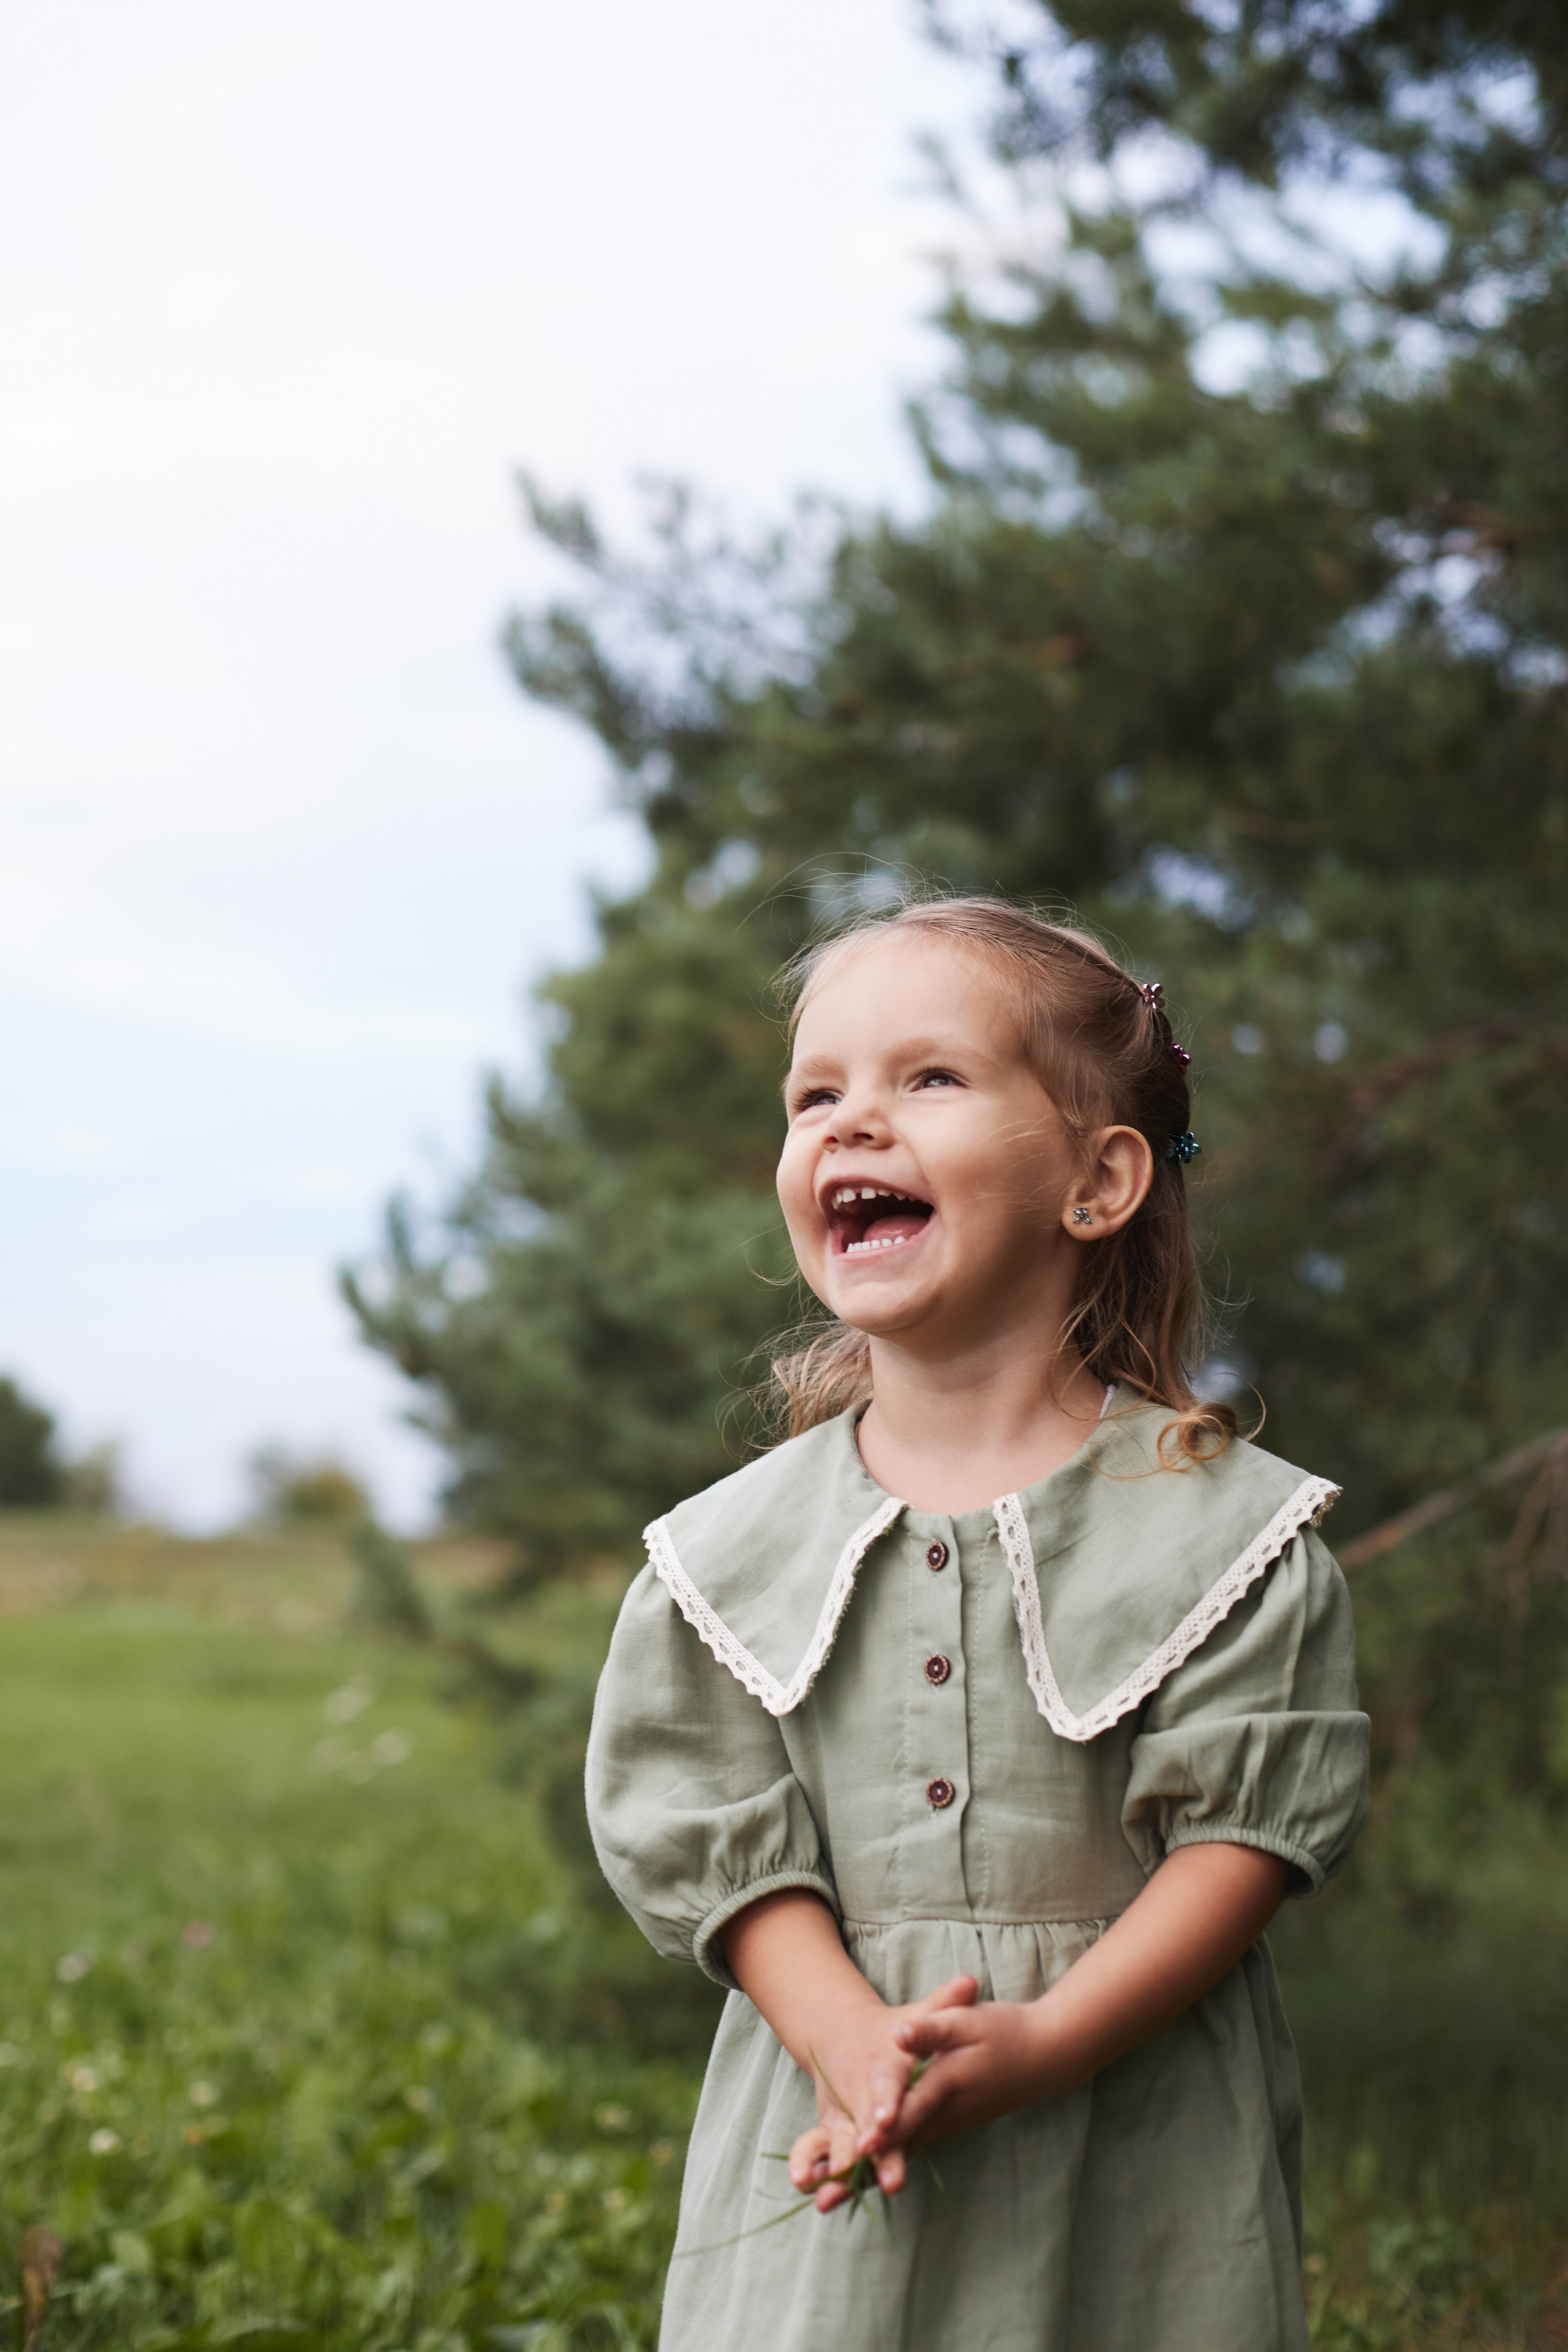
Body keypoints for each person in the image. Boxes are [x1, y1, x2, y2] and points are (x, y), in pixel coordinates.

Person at [585, 896, 1370, 2351]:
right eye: (814, 1094)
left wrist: (1043, 2043)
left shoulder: (1224, 1535)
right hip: (837, 2120)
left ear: (1098, 1179)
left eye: (926, 1078)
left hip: (1126, 2120)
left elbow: (1236, 1847)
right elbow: (705, 1824)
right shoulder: (727, 1554)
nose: (849, 1124)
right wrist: (844, 2044)